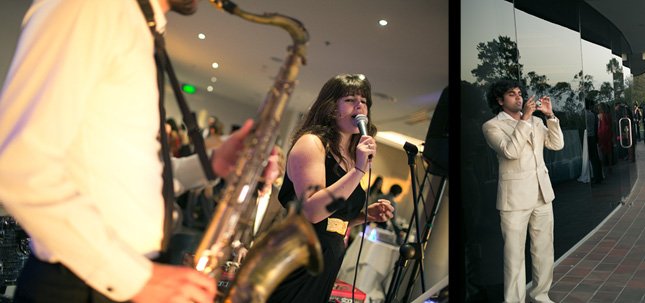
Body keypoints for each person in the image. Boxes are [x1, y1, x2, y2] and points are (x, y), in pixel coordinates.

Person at [0, 0, 288, 302]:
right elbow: (19, 166)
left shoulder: (139, 25)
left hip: (114, 279)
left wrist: (212, 164)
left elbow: (132, 174)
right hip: (83, 283)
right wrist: (137, 278)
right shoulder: (92, 7)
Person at [271, 74, 395, 303]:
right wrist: (357, 171)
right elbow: (313, 212)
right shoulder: (312, 143)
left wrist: (363, 216)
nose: (359, 106)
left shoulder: (351, 154)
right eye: (350, 99)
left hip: (326, 263)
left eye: (364, 101)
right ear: (330, 107)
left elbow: (332, 221)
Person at [482, 79, 563, 303]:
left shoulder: (537, 122)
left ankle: (541, 295)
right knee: (514, 256)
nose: (518, 97)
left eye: (520, 93)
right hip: (514, 199)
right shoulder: (492, 126)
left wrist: (550, 117)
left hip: (542, 193)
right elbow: (510, 151)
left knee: (544, 250)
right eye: (511, 94)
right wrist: (525, 119)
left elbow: (556, 145)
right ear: (500, 101)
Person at [585, 98, 603, 183]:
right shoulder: (592, 114)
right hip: (592, 136)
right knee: (595, 157)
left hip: (589, 137)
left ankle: (595, 176)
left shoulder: (587, 115)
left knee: (592, 157)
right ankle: (598, 175)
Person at [596, 102, 615, 169]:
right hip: (608, 133)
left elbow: (598, 126)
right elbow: (611, 125)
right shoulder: (608, 115)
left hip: (602, 134)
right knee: (609, 150)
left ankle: (603, 166)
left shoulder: (599, 115)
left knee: (603, 150)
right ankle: (610, 165)